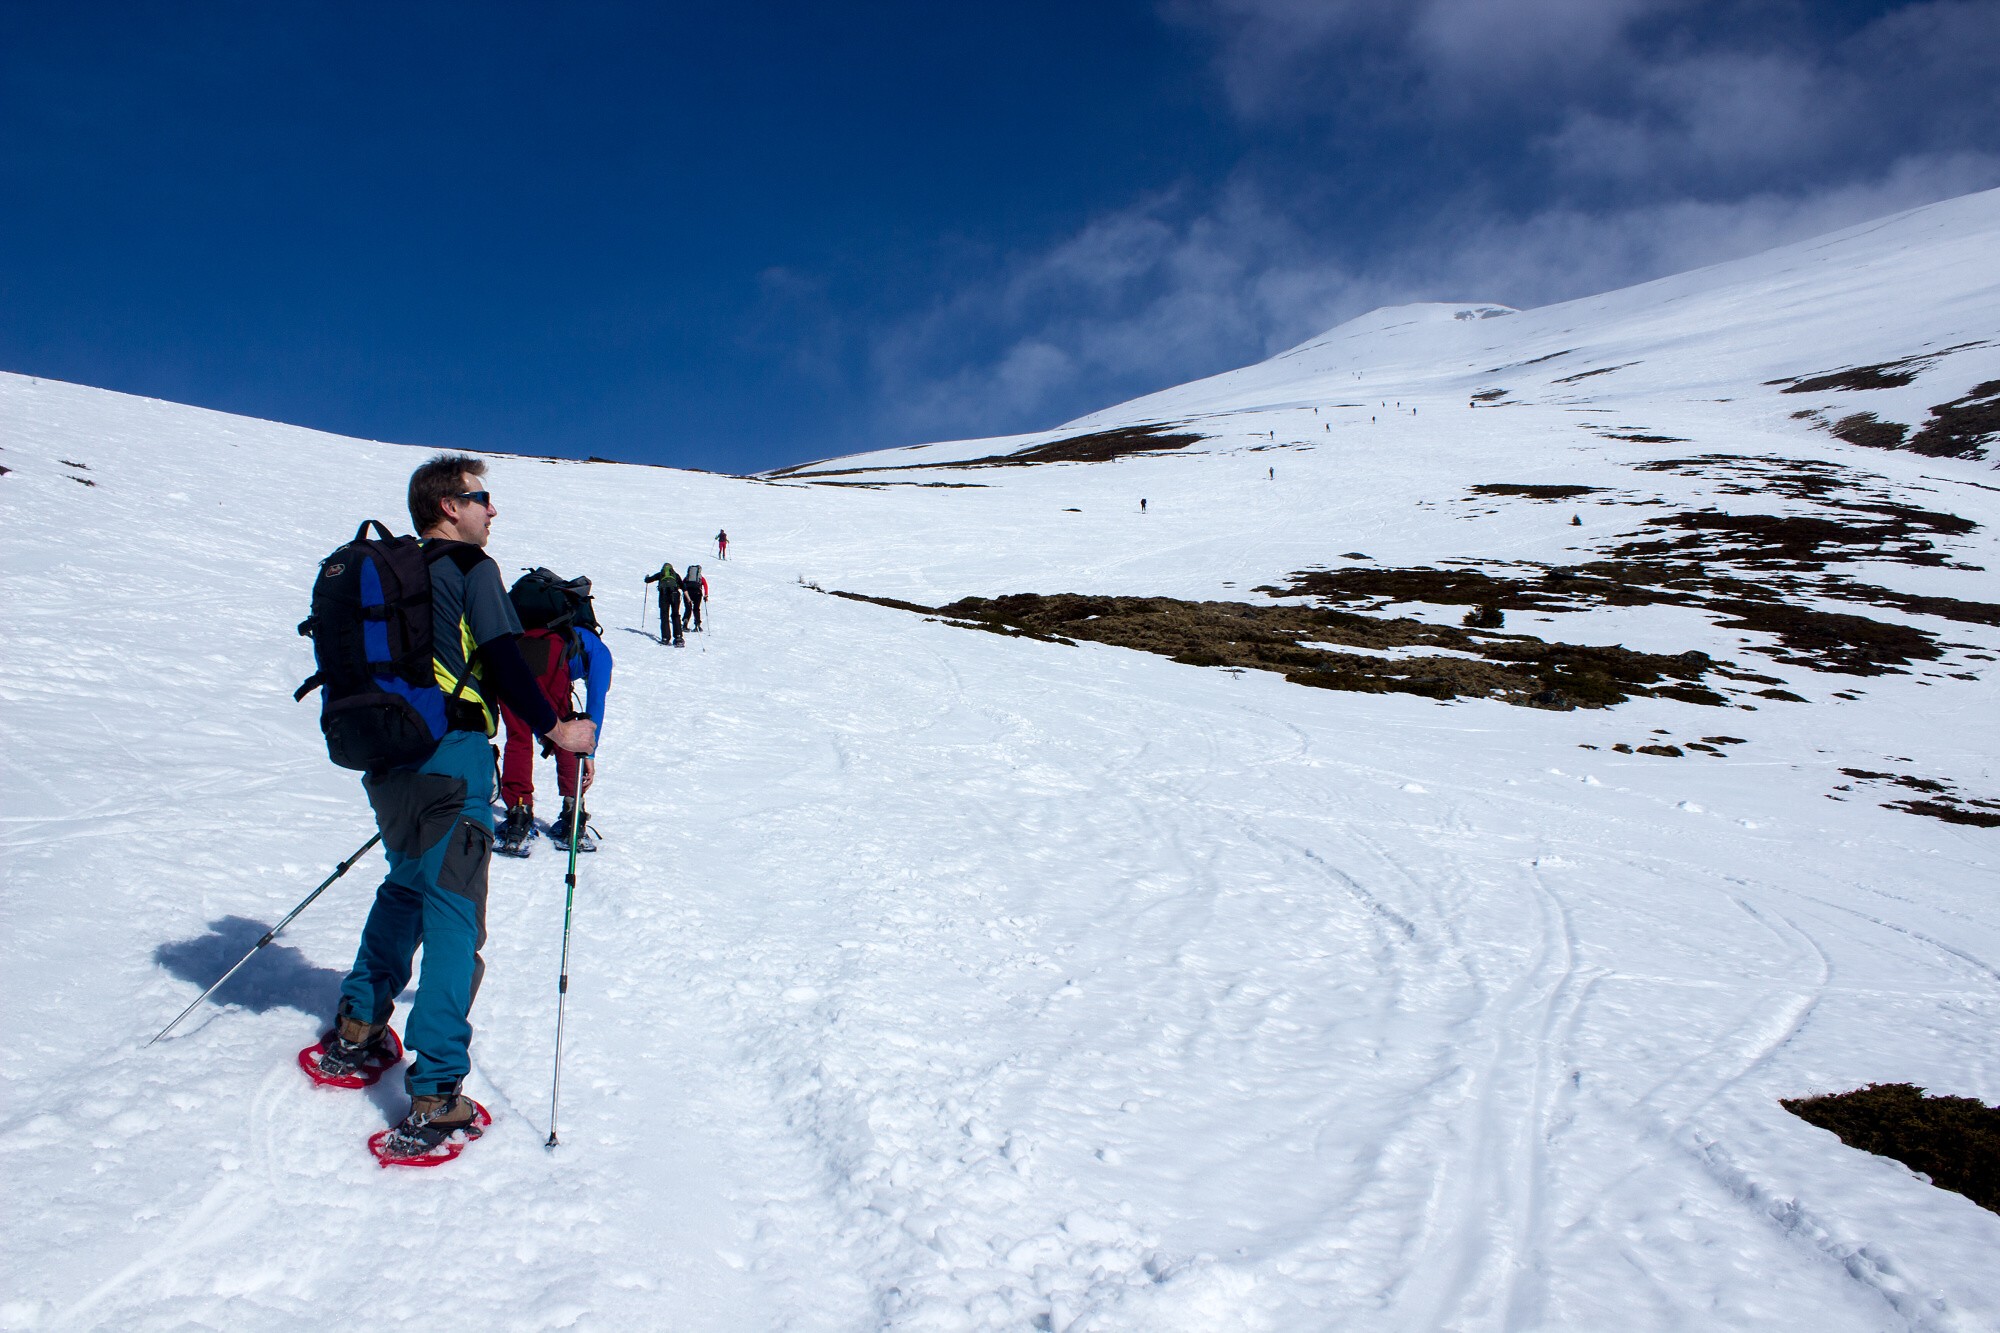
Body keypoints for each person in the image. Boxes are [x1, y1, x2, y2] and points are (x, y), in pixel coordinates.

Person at [307, 455, 596, 1159]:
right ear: (447, 507)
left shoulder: (399, 577)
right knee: (455, 917)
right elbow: (501, 657)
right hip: (452, 760)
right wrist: (560, 729)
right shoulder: (470, 570)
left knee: (406, 886)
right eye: (482, 498)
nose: (492, 511)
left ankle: (357, 1028)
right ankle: (436, 1095)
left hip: (388, 761)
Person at [497, 577, 613, 855]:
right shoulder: (598, 653)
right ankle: (573, 815)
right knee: (567, 733)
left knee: (518, 735)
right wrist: (589, 753)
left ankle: (518, 813)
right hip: (550, 663)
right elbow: (593, 709)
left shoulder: (549, 627)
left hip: (512, 652)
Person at [644, 561, 684, 645]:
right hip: (675, 595)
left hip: (664, 595)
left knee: (664, 616)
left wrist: (646, 578)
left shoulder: (661, 574)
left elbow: (648, 580)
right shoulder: (676, 575)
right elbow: (683, 586)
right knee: (675, 615)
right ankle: (678, 637)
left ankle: (665, 638)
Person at [681, 563, 710, 632]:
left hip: (688, 593)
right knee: (696, 609)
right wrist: (706, 595)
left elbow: (682, 583)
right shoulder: (700, 578)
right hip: (697, 593)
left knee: (688, 608)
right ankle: (697, 625)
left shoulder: (687, 577)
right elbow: (705, 585)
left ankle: (685, 624)